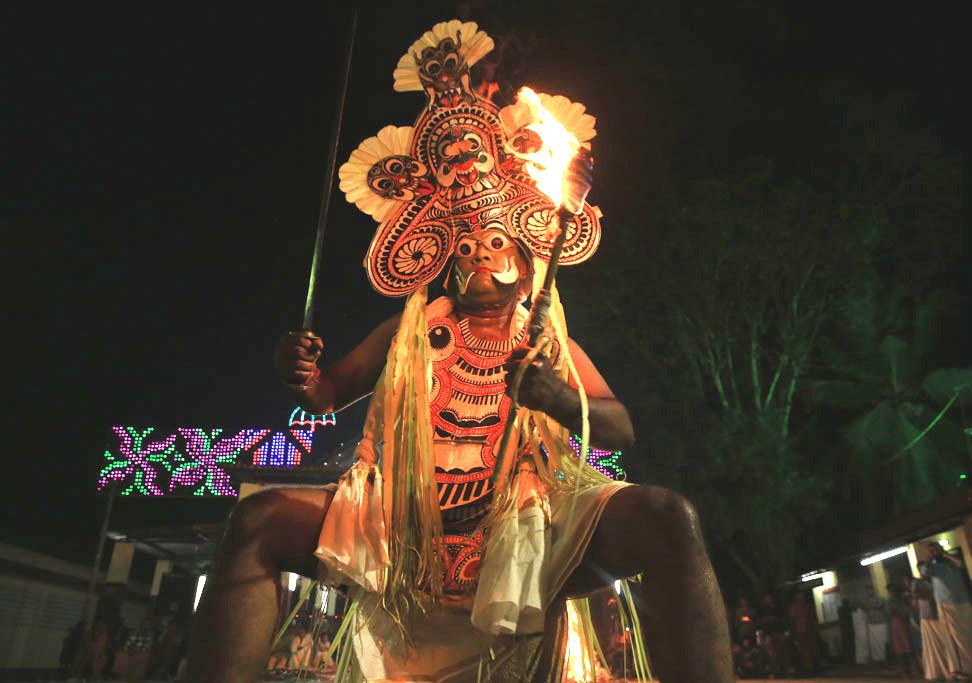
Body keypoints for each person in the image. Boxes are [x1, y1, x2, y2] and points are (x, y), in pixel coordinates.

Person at [182, 18, 733, 683]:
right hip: (398, 527)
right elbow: (325, 393)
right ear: (445, 259)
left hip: (525, 529)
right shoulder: (410, 332)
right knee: (257, 518)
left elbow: (619, 428)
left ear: (524, 261)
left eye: (494, 243)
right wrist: (297, 371)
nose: (478, 253)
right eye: (466, 247)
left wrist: (557, 397)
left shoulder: (546, 339)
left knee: (670, 519)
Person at [921, 541, 972, 677]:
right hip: (946, 605)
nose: (935, 552)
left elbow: (961, 563)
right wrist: (929, 557)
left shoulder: (951, 562)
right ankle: (960, 670)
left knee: (971, 636)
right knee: (954, 640)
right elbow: (924, 572)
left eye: (936, 549)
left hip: (963, 603)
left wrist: (944, 553)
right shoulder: (933, 566)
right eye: (931, 551)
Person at [914, 565, 952, 681]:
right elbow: (917, 595)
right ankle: (935, 671)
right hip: (926, 617)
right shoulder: (918, 583)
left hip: (938, 615)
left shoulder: (935, 580)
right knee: (931, 646)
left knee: (944, 642)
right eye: (922, 569)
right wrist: (929, 595)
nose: (924, 571)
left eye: (925, 569)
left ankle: (950, 669)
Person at [887, 582, 919, 677]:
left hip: (902, 624)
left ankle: (913, 670)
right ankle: (907, 671)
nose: (890, 593)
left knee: (907, 647)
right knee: (901, 648)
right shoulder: (892, 601)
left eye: (891, 591)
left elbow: (906, 611)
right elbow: (890, 613)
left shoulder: (901, 600)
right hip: (897, 625)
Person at [788, 591, 819, 674]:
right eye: (800, 596)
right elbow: (792, 620)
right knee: (805, 650)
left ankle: (813, 666)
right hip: (800, 631)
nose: (801, 597)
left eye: (802, 596)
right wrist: (793, 633)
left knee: (812, 648)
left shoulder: (806, 606)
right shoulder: (794, 607)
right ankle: (809, 667)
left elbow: (811, 617)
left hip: (808, 629)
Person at [864, 586, 889, 663]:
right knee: (874, 643)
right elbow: (866, 611)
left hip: (880, 623)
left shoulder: (880, 599)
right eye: (866, 591)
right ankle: (877, 659)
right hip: (872, 624)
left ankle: (885, 658)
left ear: (873, 590)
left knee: (882, 641)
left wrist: (872, 605)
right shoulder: (866, 601)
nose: (868, 592)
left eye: (869, 590)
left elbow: (882, 606)